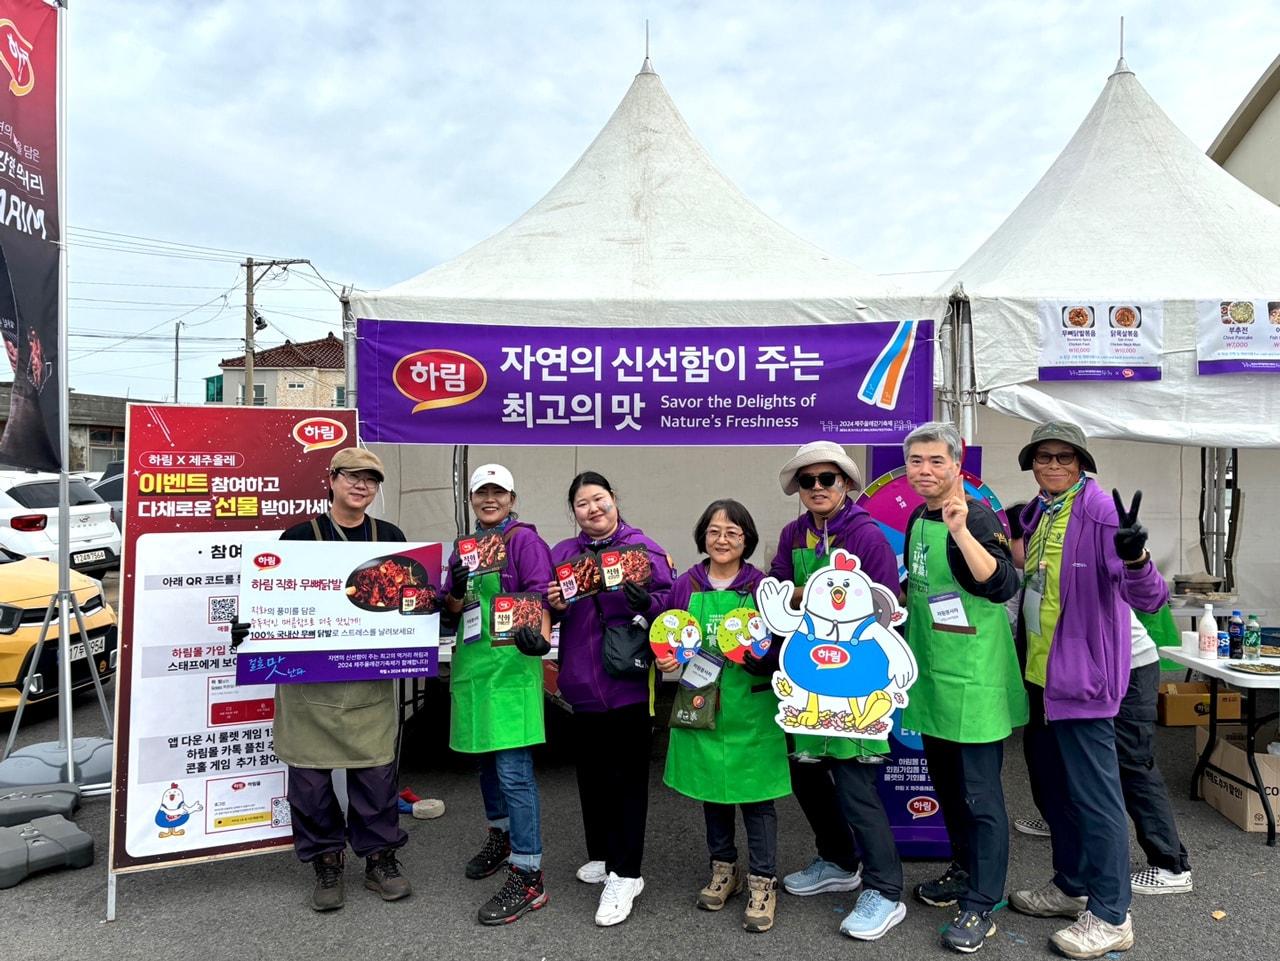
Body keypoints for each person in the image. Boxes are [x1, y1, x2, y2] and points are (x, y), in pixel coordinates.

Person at [1008, 421, 1169, 960]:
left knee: (1097, 800)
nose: (1052, 465)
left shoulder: (1099, 512)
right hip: (1040, 678)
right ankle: (1070, 886)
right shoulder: (1038, 512)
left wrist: (1136, 558)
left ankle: (1111, 914)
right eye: (1043, 457)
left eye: (1064, 457)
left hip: (1083, 683)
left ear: (1081, 463)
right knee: (1056, 792)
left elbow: (1148, 598)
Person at [768, 441, 907, 942]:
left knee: (853, 782)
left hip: (856, 684)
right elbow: (777, 593)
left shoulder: (866, 534)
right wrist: (814, 597)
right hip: (808, 684)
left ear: (846, 484)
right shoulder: (792, 534)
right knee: (806, 774)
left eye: (829, 479)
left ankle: (886, 891)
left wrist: (815, 597)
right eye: (809, 481)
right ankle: (838, 859)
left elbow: (885, 605)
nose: (819, 488)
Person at [899, 422, 1027, 953]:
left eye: (935, 461)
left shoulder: (973, 515)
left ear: (958, 462)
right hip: (932, 670)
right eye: (916, 462)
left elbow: (1000, 584)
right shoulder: (914, 517)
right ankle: (961, 868)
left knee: (980, 795)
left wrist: (961, 534)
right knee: (948, 786)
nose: (925, 471)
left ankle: (983, 901)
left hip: (972, 673)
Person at [271, 447, 413, 912]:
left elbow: (407, 600)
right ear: (330, 479)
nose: (361, 486)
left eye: (371, 480)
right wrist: (254, 623)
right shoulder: (298, 537)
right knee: (309, 784)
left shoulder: (389, 538)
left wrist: (422, 608)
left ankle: (379, 860)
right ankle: (325, 861)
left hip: (368, 679)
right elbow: (271, 596)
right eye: (352, 476)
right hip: (309, 685)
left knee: (375, 776)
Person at [547, 471, 675, 927]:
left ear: (614, 500)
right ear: (574, 511)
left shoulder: (645, 549)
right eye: (582, 503)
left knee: (626, 779)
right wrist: (554, 603)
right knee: (593, 776)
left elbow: (672, 605)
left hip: (627, 682)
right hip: (582, 683)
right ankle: (603, 855)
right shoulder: (564, 554)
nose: (592, 509)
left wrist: (647, 604)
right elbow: (547, 606)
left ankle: (627, 873)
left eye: (599, 499)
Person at [659, 499, 790, 933]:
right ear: (702, 537)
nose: (722, 539)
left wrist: (765, 661)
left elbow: (783, 645)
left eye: (732, 532)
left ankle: (763, 880)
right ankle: (723, 869)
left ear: (747, 539)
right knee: (710, 790)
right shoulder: (685, 585)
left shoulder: (762, 586)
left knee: (757, 797)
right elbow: (669, 636)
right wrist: (665, 661)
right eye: (714, 531)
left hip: (751, 707)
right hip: (701, 702)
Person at [441, 463, 554, 924]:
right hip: (473, 665)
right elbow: (452, 606)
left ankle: (528, 874)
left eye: (498, 492)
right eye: (481, 493)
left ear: (512, 497)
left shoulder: (524, 540)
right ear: (471, 499)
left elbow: (539, 596)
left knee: (513, 773)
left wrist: (540, 638)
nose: (490, 499)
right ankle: (501, 836)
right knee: (485, 762)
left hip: (510, 668)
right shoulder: (463, 547)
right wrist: (454, 583)